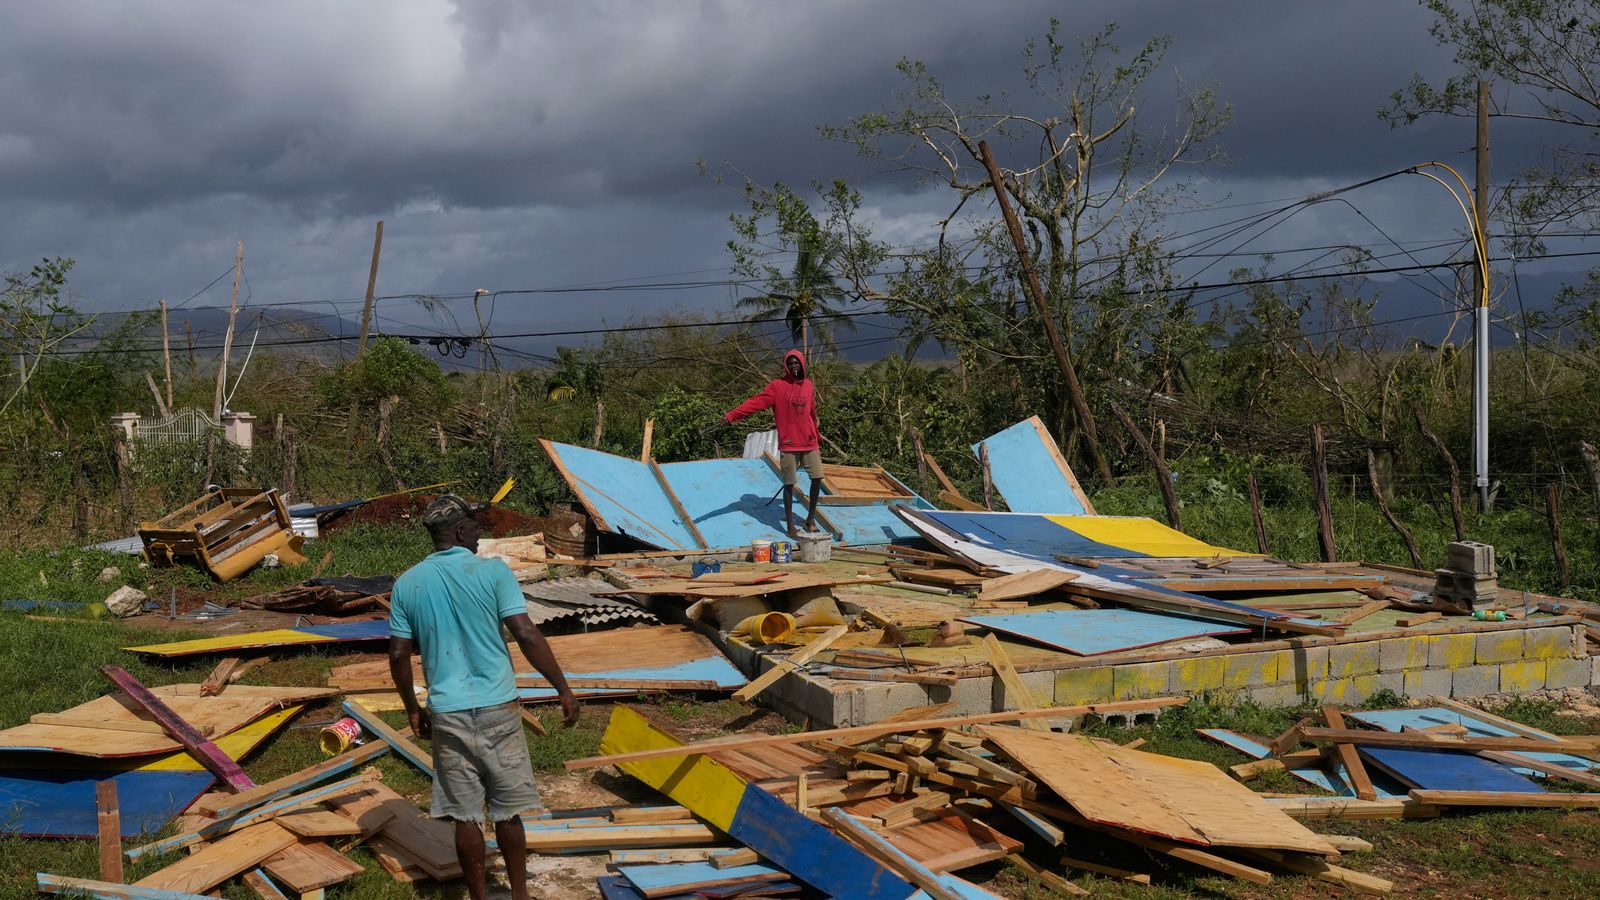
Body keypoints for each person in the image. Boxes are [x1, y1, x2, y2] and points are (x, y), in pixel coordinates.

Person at [388, 493, 579, 900]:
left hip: (448, 711)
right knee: (507, 810)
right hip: (498, 708)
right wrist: (562, 688)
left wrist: (412, 708)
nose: (478, 533)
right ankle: (520, 895)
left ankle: (477, 897)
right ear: (459, 530)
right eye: (474, 526)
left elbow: (399, 653)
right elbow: (526, 633)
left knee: (465, 814)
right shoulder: (492, 573)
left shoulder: (407, 584)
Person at [709, 349, 821, 536]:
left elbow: (812, 413)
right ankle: (790, 525)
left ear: (802, 364)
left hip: (809, 442)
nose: (794, 366)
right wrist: (731, 416)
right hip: (790, 443)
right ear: (786, 366)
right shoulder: (777, 387)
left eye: (797, 363)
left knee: (817, 478)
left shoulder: (809, 386)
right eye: (790, 363)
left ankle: (810, 518)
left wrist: (817, 435)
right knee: (789, 484)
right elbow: (755, 403)